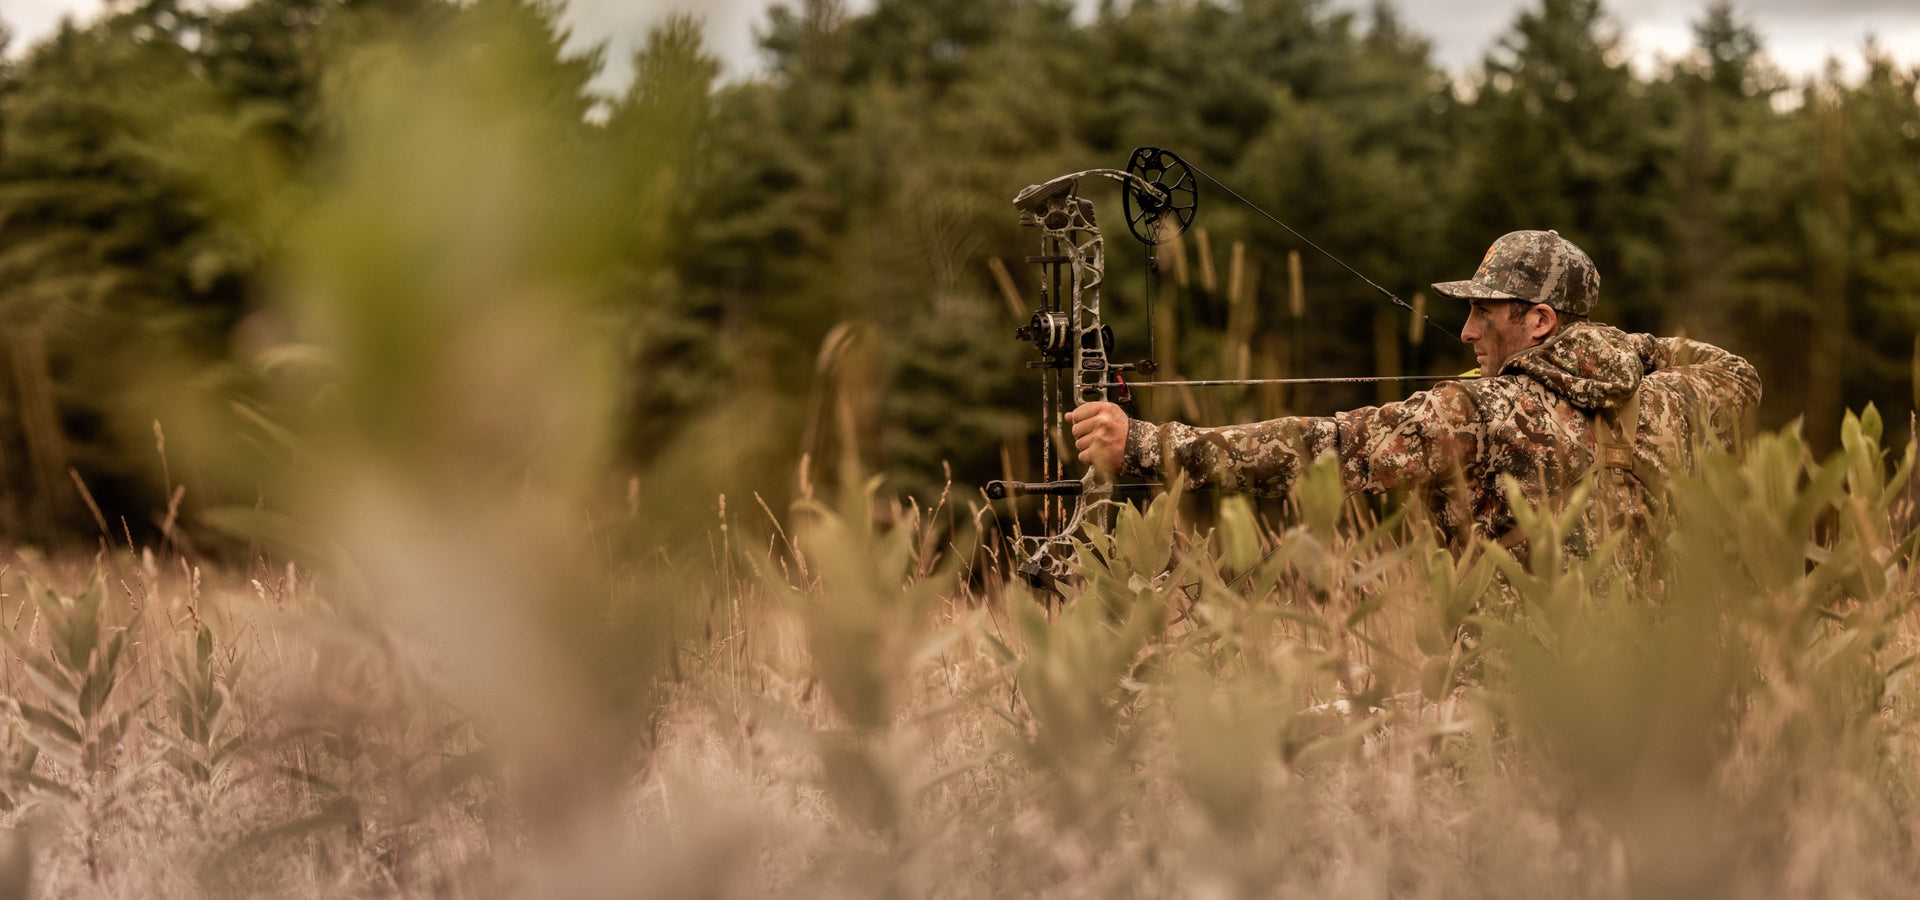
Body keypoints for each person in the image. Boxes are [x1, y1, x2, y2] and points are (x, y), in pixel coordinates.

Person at [1064, 229, 1762, 568]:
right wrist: (1614, 350)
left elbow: (1320, 449)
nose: (1466, 332)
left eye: (1485, 313)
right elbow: (1737, 371)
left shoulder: (1476, 414)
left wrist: (1150, 445)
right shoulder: (1675, 399)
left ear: (1539, 321)